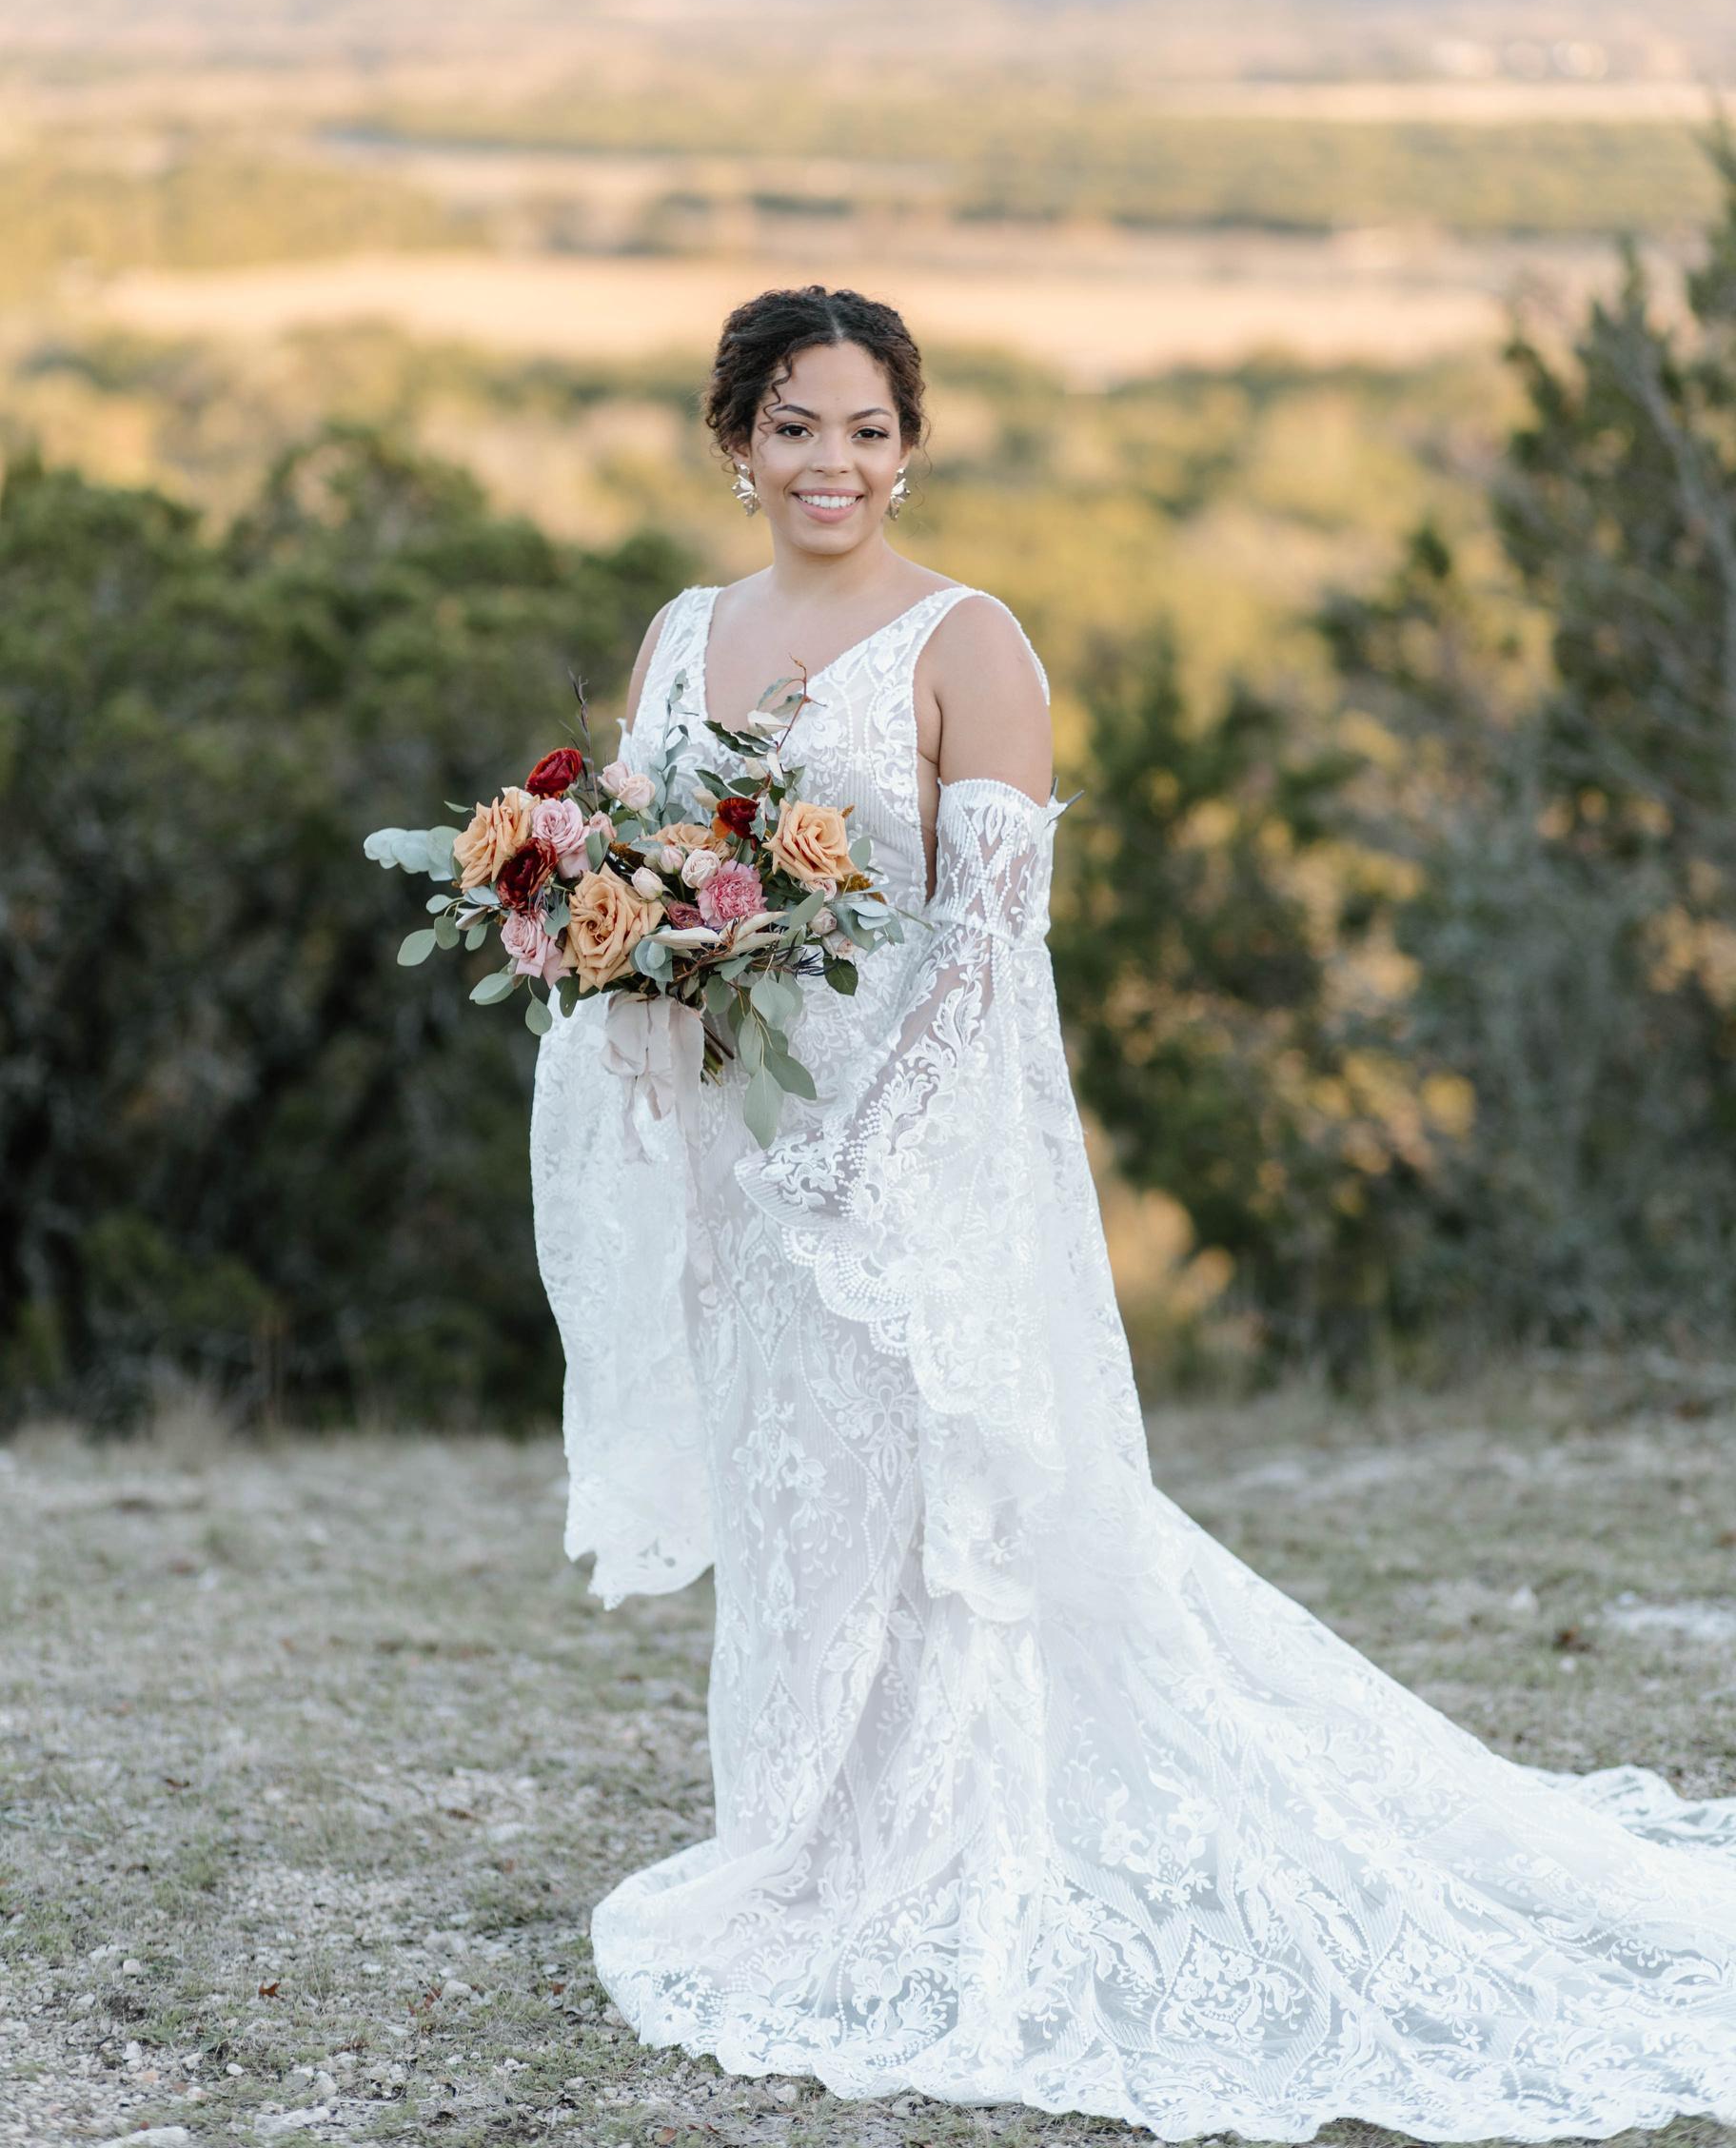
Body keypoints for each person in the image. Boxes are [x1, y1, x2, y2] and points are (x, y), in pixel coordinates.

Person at [530, 283, 1736, 2141]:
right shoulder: (685, 633)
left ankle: (928, 1847)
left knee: (928, 1512)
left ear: (911, 447)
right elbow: (644, 852)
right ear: (736, 445)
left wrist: (870, 1161)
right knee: (792, 1499)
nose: (833, 463)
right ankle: (800, 1840)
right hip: (732, 1157)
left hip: (896, 1164)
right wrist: (625, 980)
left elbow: (987, 955)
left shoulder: (969, 643)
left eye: (867, 430)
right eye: (794, 427)